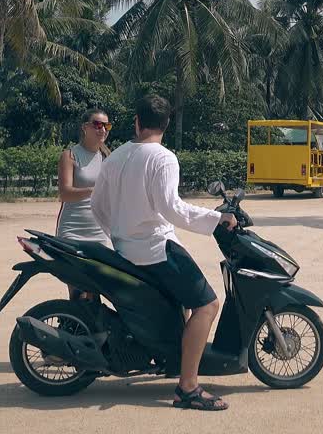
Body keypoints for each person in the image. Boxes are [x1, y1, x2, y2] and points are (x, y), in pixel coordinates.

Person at [90, 94, 237, 412]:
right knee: (207, 305)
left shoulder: (115, 157)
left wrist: (118, 235)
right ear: (166, 124)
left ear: (137, 122)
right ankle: (188, 387)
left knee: (184, 303)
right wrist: (217, 218)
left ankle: (178, 361)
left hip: (125, 250)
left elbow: (97, 205)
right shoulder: (163, 158)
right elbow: (171, 208)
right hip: (156, 250)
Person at [55, 108, 113, 299]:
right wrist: (94, 190)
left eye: (106, 126)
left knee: (95, 293)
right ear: (84, 128)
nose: (102, 129)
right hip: (72, 230)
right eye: (97, 124)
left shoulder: (108, 158)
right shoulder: (70, 155)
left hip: (98, 232)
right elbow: (65, 194)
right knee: (77, 293)